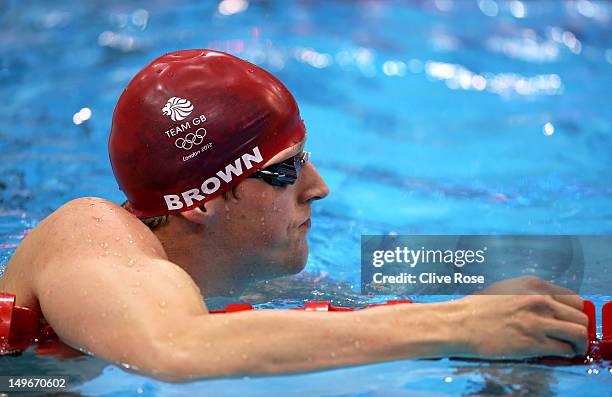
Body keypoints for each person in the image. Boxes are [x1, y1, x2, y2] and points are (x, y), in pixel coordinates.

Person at [0, 50, 588, 380]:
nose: (319, 187)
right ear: (202, 199)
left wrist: (499, 335)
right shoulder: (89, 232)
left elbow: (351, 324)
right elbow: (177, 348)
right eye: (284, 170)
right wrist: (458, 324)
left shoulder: (254, 279)